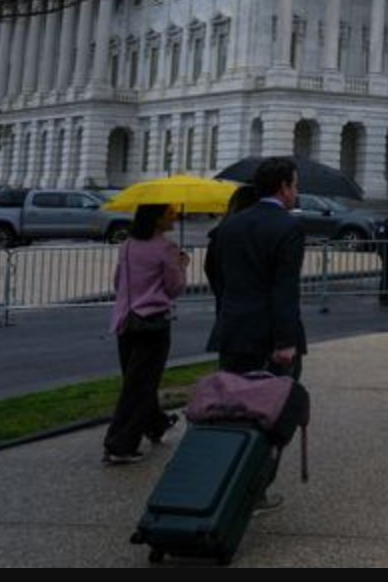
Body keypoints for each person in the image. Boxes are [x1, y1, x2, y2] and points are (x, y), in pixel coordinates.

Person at [205, 158, 305, 512]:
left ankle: (220, 482)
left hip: (234, 331)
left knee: (229, 411)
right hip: (270, 338)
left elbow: (219, 280)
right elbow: (284, 290)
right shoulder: (288, 227)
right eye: (294, 184)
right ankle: (256, 489)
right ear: (282, 187)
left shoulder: (229, 226)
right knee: (271, 415)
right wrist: (285, 342)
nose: (296, 192)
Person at [102, 203, 188, 465]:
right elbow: (174, 288)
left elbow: (119, 283)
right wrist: (182, 265)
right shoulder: (166, 248)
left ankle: (155, 423)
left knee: (136, 378)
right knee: (140, 384)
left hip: (126, 320)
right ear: (157, 218)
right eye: (169, 212)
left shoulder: (127, 245)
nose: (174, 216)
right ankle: (120, 443)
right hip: (153, 322)